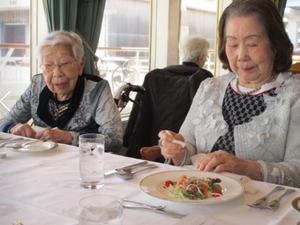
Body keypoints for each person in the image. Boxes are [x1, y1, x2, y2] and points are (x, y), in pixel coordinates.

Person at [158, 0, 300, 187]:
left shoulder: (294, 96)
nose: (241, 55)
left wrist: (247, 168)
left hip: (261, 210)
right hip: (201, 200)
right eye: (233, 44)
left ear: (275, 45)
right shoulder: (209, 87)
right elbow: (189, 144)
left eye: (252, 44)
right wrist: (177, 150)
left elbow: (297, 171)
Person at [0, 30, 123, 152]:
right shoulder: (37, 85)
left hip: (82, 162)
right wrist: (13, 128)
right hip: (39, 160)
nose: (57, 73)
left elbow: (115, 139)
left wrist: (69, 137)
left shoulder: (97, 89)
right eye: (48, 65)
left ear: (80, 65)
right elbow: (4, 122)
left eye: (65, 63)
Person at [124, 36, 213, 159]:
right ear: (201, 58)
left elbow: (140, 116)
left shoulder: (154, 76)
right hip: (182, 149)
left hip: (150, 141)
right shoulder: (203, 80)